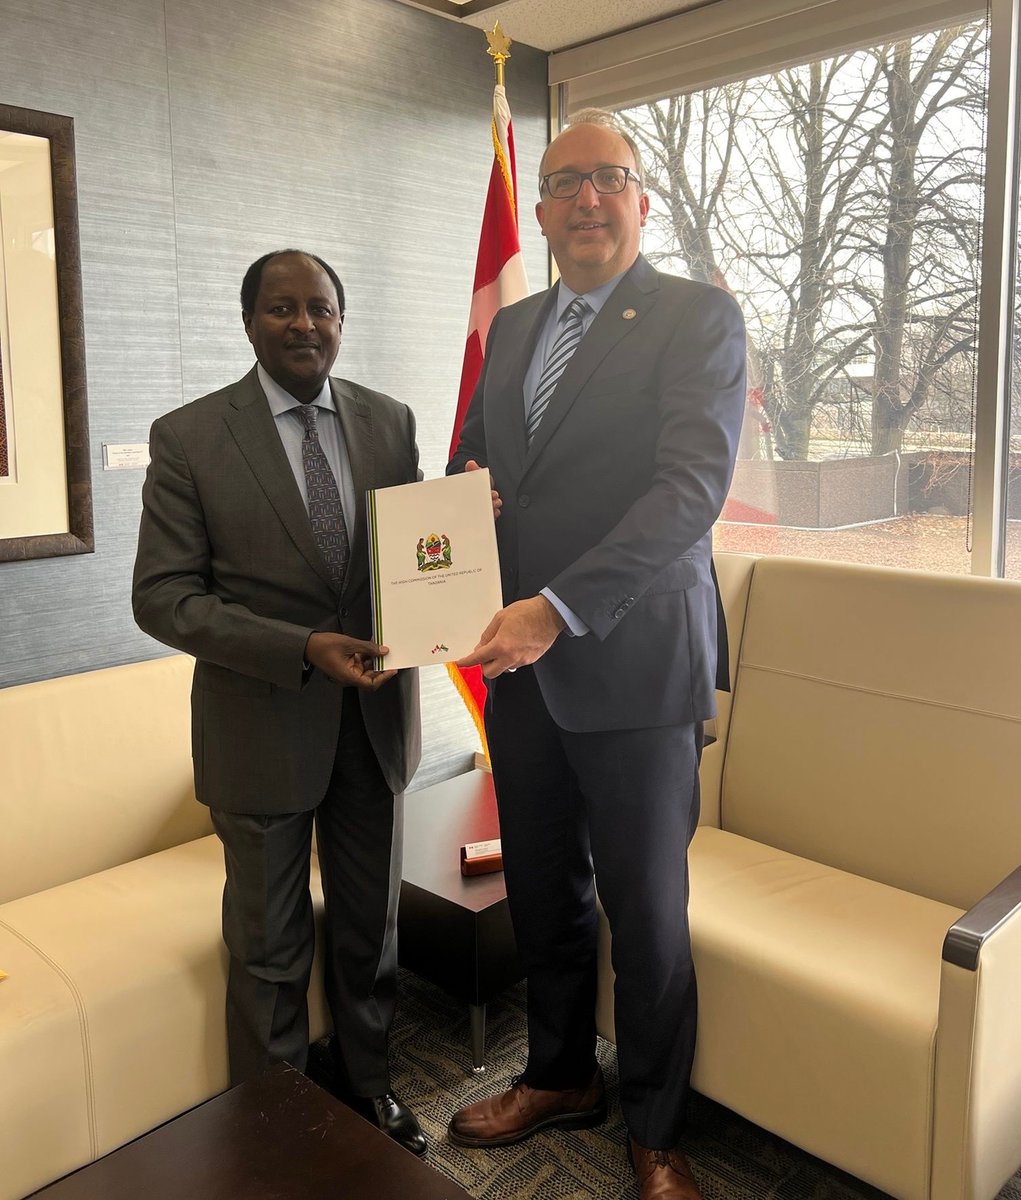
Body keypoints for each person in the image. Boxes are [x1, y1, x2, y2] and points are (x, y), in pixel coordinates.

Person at [446, 111, 746, 1199]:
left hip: (630, 664)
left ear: (640, 200)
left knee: (647, 914)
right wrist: (467, 492)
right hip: (518, 673)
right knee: (541, 888)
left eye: (606, 180)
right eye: (565, 180)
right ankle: (560, 1076)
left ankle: (656, 1130)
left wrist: (555, 608)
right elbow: (484, 456)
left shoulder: (697, 319)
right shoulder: (518, 329)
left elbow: (687, 495)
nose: (584, 200)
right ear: (540, 205)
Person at [132, 249, 426, 1156]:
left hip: (374, 726)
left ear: (343, 318)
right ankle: (279, 1121)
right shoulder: (190, 437)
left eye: (321, 308)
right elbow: (164, 598)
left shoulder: (389, 421)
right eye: (282, 309)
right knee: (267, 953)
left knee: (370, 933)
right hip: (259, 730)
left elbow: (414, 558)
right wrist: (299, 648)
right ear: (249, 320)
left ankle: (370, 1089)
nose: (304, 325)